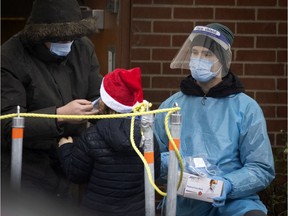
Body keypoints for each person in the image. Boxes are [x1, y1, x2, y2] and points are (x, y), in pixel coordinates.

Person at [153, 23, 275, 216]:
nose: (198, 59)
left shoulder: (246, 108)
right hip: (184, 203)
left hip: (235, 203)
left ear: (223, 60)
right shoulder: (172, 105)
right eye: (195, 52)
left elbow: (261, 167)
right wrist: (172, 164)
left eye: (207, 54)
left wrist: (229, 184)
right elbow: (152, 159)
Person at [1, 0, 102, 214]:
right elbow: (8, 122)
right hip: (28, 167)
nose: (66, 43)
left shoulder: (82, 47)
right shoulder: (10, 56)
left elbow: (95, 93)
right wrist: (59, 115)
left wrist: (104, 105)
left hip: (73, 159)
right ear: (40, 34)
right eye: (58, 38)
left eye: (71, 38)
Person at [57, 67, 161, 216]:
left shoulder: (91, 136)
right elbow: (154, 172)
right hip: (136, 211)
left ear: (104, 104)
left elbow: (76, 174)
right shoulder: (147, 135)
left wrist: (65, 148)